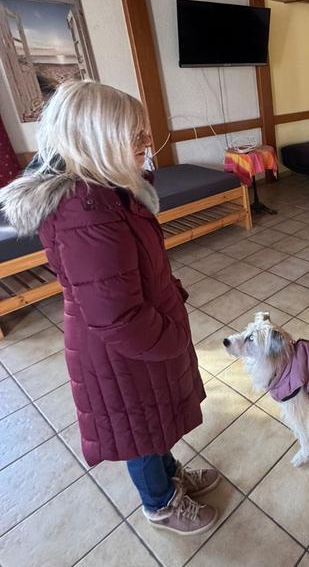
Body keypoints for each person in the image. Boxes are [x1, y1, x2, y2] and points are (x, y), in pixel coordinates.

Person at [0, 80, 219, 534]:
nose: (146, 141)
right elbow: (116, 317)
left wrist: (170, 304)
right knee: (140, 428)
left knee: (154, 420)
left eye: (143, 130)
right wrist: (172, 336)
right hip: (120, 350)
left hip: (139, 338)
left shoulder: (110, 191)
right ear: (94, 139)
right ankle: (159, 503)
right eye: (133, 134)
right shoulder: (85, 212)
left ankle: (170, 477)